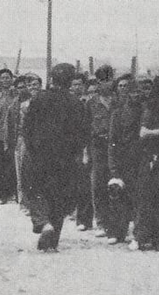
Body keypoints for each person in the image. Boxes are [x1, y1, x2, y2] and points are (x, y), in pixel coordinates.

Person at [23, 63, 82, 251]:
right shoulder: (75, 102)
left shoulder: (39, 99)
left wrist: (32, 149)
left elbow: (28, 128)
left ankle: (43, 223)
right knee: (59, 196)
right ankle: (52, 241)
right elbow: (83, 132)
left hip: (39, 154)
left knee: (35, 190)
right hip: (65, 157)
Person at [130, 76, 159, 252]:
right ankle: (140, 237)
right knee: (146, 198)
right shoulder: (150, 108)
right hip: (149, 156)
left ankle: (157, 238)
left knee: (158, 198)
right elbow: (143, 133)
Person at [106, 75, 144, 244]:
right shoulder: (118, 114)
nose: (135, 95)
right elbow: (112, 142)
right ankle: (116, 232)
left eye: (138, 92)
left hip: (141, 160)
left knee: (139, 198)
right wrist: (113, 168)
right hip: (123, 160)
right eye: (132, 92)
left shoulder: (145, 111)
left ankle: (139, 234)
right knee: (118, 197)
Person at [88, 65, 117, 238]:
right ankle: (100, 221)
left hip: (115, 147)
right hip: (97, 146)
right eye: (102, 80)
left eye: (109, 79)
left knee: (115, 183)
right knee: (98, 183)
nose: (106, 84)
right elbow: (85, 127)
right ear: (97, 82)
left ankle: (114, 222)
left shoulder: (119, 100)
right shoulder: (91, 103)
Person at [0, 69, 18, 204]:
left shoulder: (16, 96)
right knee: (0, 165)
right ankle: (2, 194)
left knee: (12, 164)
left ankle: (14, 193)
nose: (5, 80)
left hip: (13, 134)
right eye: (3, 78)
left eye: (8, 77)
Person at [69, 73, 93, 231]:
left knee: (85, 183)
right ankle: (73, 212)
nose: (77, 87)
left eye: (79, 84)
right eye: (74, 84)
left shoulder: (88, 103)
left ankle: (84, 219)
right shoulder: (68, 102)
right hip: (70, 146)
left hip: (85, 145)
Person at [7, 76, 32, 215]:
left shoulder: (36, 101)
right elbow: (10, 126)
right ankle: (23, 202)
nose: (23, 89)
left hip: (35, 139)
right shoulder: (14, 106)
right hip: (21, 139)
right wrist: (11, 144)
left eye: (25, 86)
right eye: (20, 87)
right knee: (21, 171)